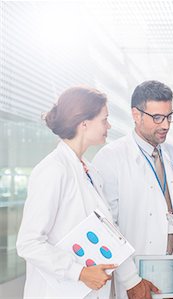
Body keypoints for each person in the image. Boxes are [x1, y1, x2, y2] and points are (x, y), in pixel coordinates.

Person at [92, 80, 173, 299]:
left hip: (172, 267)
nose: (166, 125)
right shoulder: (111, 158)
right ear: (136, 115)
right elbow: (108, 227)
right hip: (136, 271)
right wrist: (130, 280)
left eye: (169, 116)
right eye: (157, 118)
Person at [16, 87, 116, 298]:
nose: (109, 125)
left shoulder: (89, 170)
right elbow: (29, 243)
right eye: (104, 119)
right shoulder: (53, 169)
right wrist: (79, 272)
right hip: (56, 291)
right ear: (84, 123)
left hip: (86, 289)